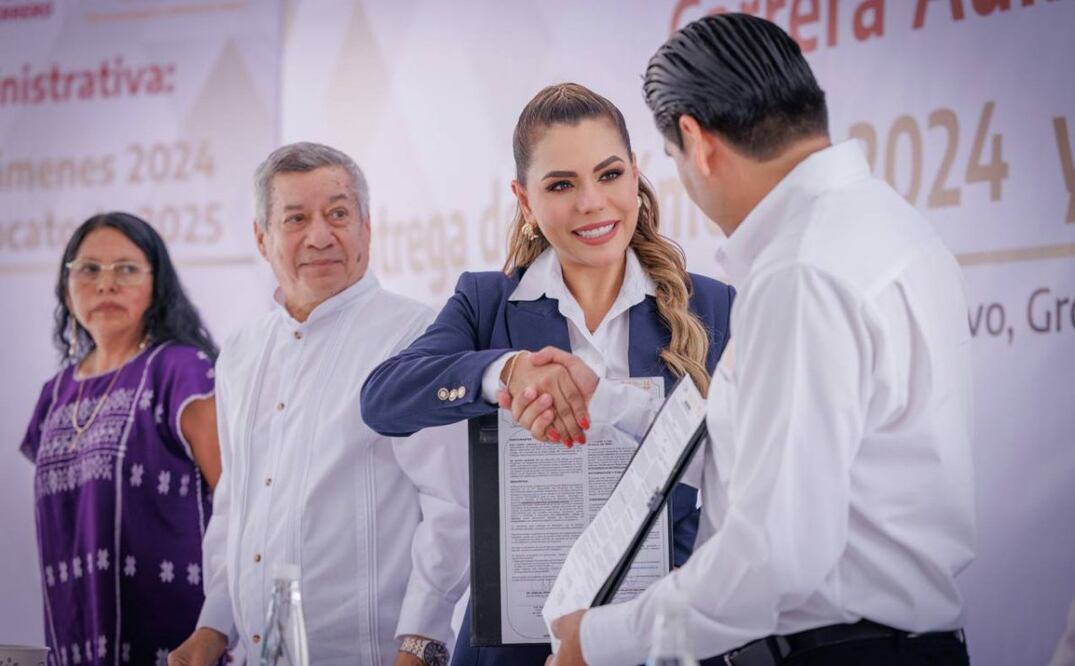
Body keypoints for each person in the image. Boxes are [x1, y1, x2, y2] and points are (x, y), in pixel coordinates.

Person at [541, 13, 976, 666]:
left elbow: (777, 554)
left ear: (697, 139)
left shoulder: (800, 269)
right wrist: (605, 402)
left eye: (669, 160)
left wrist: (598, 641)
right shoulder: (884, 225)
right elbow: (758, 457)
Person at [361, 82, 735, 666]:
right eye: (561, 184)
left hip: (663, 642)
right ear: (524, 198)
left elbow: (743, 474)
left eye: (609, 175)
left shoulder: (712, 307)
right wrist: (505, 370)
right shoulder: (486, 303)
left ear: (636, 175)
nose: (591, 202)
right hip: (517, 648)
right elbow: (382, 399)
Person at [167, 142, 469, 666]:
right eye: (296, 218)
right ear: (262, 239)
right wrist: (213, 625)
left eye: (338, 214)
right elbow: (236, 502)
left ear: (367, 228)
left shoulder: (417, 336)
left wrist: (420, 645)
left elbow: (452, 507)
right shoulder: (241, 350)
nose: (321, 236)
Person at [20, 212, 221, 666]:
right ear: (65, 287)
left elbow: (237, 497)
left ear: (157, 283)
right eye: (89, 269)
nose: (105, 284)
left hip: (177, 645)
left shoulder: (180, 369)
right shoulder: (53, 396)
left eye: (126, 269)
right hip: (71, 640)